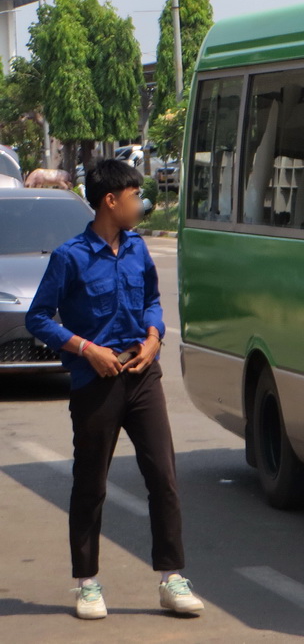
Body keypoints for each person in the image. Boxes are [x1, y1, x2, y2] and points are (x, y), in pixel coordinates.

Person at [26, 159, 203, 620]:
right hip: (95, 382)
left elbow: (151, 300)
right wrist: (86, 349)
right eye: (134, 195)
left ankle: (172, 577)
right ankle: (87, 582)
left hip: (143, 375)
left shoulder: (139, 249)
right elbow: (39, 318)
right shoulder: (70, 257)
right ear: (111, 200)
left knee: (163, 476)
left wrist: (154, 335)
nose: (141, 203)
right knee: (91, 483)